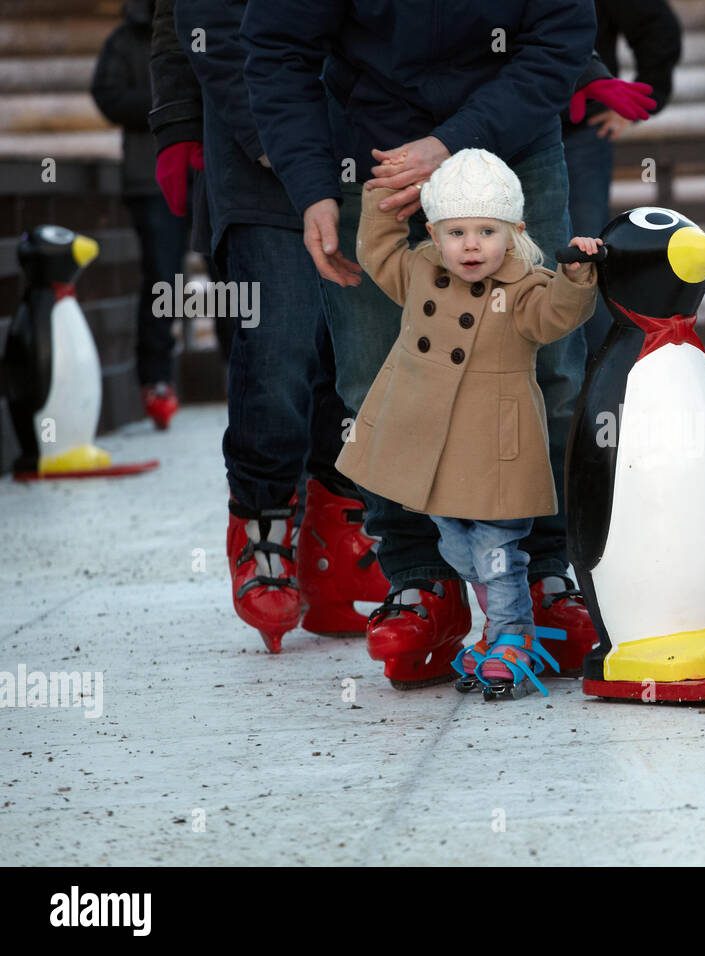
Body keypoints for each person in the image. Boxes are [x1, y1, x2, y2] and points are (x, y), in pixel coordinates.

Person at [241, 0, 600, 687]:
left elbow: (559, 36)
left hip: (510, 138)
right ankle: (419, 576)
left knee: (549, 369)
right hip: (372, 150)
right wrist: (312, 185)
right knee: (376, 380)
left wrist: (457, 141)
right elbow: (277, 45)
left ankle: (546, 569)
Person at [149, 0, 386, 653]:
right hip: (257, 143)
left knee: (351, 349)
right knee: (279, 339)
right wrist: (178, 121)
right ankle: (263, 523)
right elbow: (194, 15)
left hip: (358, 137)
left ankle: (336, 530)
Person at [338, 149, 598, 698]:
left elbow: (554, 317)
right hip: (433, 445)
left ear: (514, 232)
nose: (472, 245)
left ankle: (510, 638)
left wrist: (574, 277)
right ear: (433, 231)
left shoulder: (525, 286)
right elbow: (378, 249)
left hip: (495, 447)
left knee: (499, 553)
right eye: (456, 232)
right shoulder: (419, 271)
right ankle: (507, 629)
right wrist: (384, 200)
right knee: (459, 546)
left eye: (486, 230)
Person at [564, 0, 681, 362]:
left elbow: (657, 26)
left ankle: (602, 378)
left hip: (577, 130)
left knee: (586, 255)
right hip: (488, 128)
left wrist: (648, 92)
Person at [91, 0, 188, 430]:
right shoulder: (123, 39)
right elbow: (107, 95)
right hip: (150, 181)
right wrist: (169, 99)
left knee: (232, 278)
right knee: (163, 279)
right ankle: (158, 380)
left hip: (209, 175)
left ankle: (238, 373)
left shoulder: (204, 22)